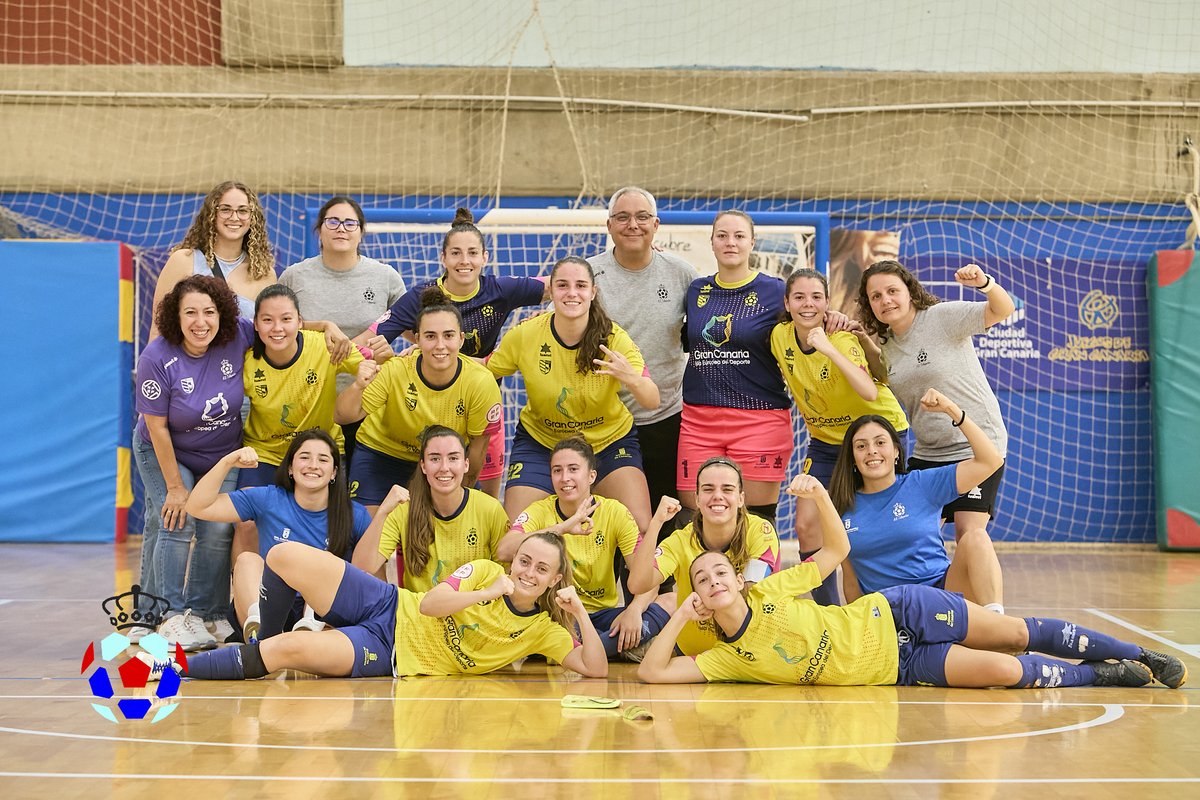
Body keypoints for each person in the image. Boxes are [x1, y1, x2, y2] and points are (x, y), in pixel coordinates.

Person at [637, 475, 1187, 690]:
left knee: (1012, 634)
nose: (712, 580)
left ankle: (1142, 652)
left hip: (895, 612)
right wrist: (682, 615)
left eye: (719, 571)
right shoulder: (724, 660)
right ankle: (1107, 676)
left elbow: (836, 550)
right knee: (1000, 671)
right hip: (895, 667)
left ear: (738, 575)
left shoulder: (768, 588)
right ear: (702, 601)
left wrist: (822, 498)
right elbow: (652, 674)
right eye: (700, 581)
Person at [183, 531, 609, 680]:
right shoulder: (484, 572)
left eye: (541, 570)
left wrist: (580, 616)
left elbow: (596, 668)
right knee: (281, 555)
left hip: (390, 652)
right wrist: (486, 591)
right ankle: (256, 638)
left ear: (555, 580)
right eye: (524, 561)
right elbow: (432, 604)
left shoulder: (543, 631)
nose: (528, 573)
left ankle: (173, 667)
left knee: (283, 654)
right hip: (390, 602)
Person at [374, 208, 548, 496]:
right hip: (435, 412)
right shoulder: (422, 296)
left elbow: (563, 287)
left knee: (484, 502)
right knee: (431, 497)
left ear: (484, 258)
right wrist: (382, 352)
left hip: (482, 410)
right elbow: (370, 339)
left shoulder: (500, 290)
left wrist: (542, 322)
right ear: (443, 258)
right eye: (455, 253)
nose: (464, 261)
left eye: (472, 253)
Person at [487, 255, 659, 533]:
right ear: (551, 291)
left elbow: (652, 399)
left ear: (593, 292)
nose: (572, 293)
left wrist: (631, 378)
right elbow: (484, 373)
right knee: (517, 534)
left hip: (607, 442)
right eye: (563, 285)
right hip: (543, 443)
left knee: (640, 527)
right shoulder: (525, 335)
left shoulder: (613, 338)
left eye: (580, 285)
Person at [770, 267, 909, 605]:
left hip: (876, 434)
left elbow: (868, 391)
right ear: (787, 303)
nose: (808, 304)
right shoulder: (779, 337)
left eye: (816, 297)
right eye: (799, 297)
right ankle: (829, 613)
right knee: (806, 525)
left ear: (828, 303)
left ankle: (899, 604)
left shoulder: (842, 338)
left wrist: (827, 347)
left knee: (884, 524)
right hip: (826, 441)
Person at [134, 275, 255, 650]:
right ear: (176, 316)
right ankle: (167, 615)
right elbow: (157, 427)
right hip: (166, 449)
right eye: (190, 313)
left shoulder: (238, 335)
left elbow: (278, 322)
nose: (200, 322)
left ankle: (205, 613)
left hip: (222, 452)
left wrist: (325, 326)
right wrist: (174, 488)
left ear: (223, 315)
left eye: (209, 312)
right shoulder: (156, 356)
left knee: (218, 529)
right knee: (177, 517)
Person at [856, 259, 1015, 542]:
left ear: (910, 291)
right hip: (930, 452)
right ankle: (928, 589)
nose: (886, 300)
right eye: (876, 296)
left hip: (976, 445)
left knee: (969, 536)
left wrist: (984, 283)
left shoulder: (941, 317)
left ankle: (974, 589)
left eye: (892, 291)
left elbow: (1003, 309)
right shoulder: (886, 343)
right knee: (915, 536)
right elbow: (879, 373)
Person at [185, 429, 373, 642]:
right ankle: (261, 630)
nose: (313, 465)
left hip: (321, 609)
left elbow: (370, 573)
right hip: (270, 599)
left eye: (323, 459)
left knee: (325, 563)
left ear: (334, 473)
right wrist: (227, 463)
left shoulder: (354, 513)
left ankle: (311, 628)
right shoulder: (268, 498)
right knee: (247, 559)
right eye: (304, 457)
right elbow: (197, 507)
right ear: (291, 468)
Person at [497, 437, 673, 661]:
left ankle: (582, 651)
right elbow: (504, 551)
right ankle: (616, 647)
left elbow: (647, 577)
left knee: (670, 602)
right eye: (557, 471)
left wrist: (635, 609)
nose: (565, 478)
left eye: (573, 469)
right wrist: (562, 528)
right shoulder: (540, 511)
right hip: (556, 616)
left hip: (602, 615)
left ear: (591, 476)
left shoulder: (614, 512)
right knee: (545, 631)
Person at [829, 389, 1006, 611]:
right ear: (853, 458)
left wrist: (952, 410)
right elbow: (851, 578)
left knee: (976, 537)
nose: (871, 451)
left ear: (896, 451)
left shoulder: (922, 484)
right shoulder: (841, 505)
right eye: (861, 446)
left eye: (880, 442)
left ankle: (996, 623)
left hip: (942, 597)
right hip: (892, 613)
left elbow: (990, 461)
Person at [232, 285, 364, 579]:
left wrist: (378, 362)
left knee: (335, 522)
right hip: (265, 452)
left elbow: (374, 366)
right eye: (267, 320)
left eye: (286, 319)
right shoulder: (247, 361)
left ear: (300, 322)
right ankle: (249, 602)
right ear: (256, 324)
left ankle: (333, 602)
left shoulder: (325, 346)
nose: (277, 328)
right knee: (245, 520)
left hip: (321, 451)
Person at [588, 187, 698, 522]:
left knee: (665, 520)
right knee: (612, 522)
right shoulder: (588, 274)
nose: (632, 224)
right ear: (609, 226)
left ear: (656, 224)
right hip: (605, 421)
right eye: (622, 217)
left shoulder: (681, 273)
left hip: (667, 416)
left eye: (642, 217)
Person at [335, 288, 502, 508]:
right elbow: (342, 416)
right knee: (370, 535)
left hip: (441, 463)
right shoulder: (396, 370)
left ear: (461, 339)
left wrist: (460, 501)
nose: (440, 345)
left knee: (450, 530)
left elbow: (479, 449)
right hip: (383, 455)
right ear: (417, 339)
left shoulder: (480, 381)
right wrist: (357, 386)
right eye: (430, 336)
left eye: (449, 335)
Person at [678, 210, 791, 528]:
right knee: (694, 517)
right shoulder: (695, 291)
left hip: (759, 419)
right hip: (699, 420)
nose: (731, 242)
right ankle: (707, 579)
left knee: (755, 521)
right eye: (722, 235)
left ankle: (756, 580)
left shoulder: (776, 291)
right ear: (711, 242)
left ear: (752, 242)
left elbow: (811, 316)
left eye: (739, 236)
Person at [279, 195, 407, 462]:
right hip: (308, 402)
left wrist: (402, 354)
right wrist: (323, 326)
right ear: (320, 230)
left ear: (361, 232)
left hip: (366, 402)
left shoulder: (385, 277)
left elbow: (412, 330)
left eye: (350, 223)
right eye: (333, 221)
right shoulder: (295, 276)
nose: (341, 228)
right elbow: (277, 326)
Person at [626, 456, 780, 656]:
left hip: (749, 652)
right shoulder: (681, 539)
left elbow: (752, 591)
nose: (717, 496)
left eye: (727, 489)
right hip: (690, 654)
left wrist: (709, 603)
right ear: (697, 499)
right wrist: (656, 523)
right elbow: (638, 584)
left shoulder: (760, 531)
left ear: (741, 498)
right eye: (708, 489)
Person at [352, 426, 509, 590]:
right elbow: (361, 567)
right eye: (435, 459)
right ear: (423, 466)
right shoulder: (405, 509)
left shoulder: (490, 509)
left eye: (453, 458)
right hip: (421, 613)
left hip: (474, 612)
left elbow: (508, 575)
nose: (444, 467)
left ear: (466, 465)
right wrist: (383, 511)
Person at [150, 181, 278, 338]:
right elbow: (158, 329)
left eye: (243, 211)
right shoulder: (184, 261)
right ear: (212, 214)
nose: (234, 217)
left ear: (253, 217)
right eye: (225, 209)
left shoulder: (265, 274)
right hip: (190, 362)